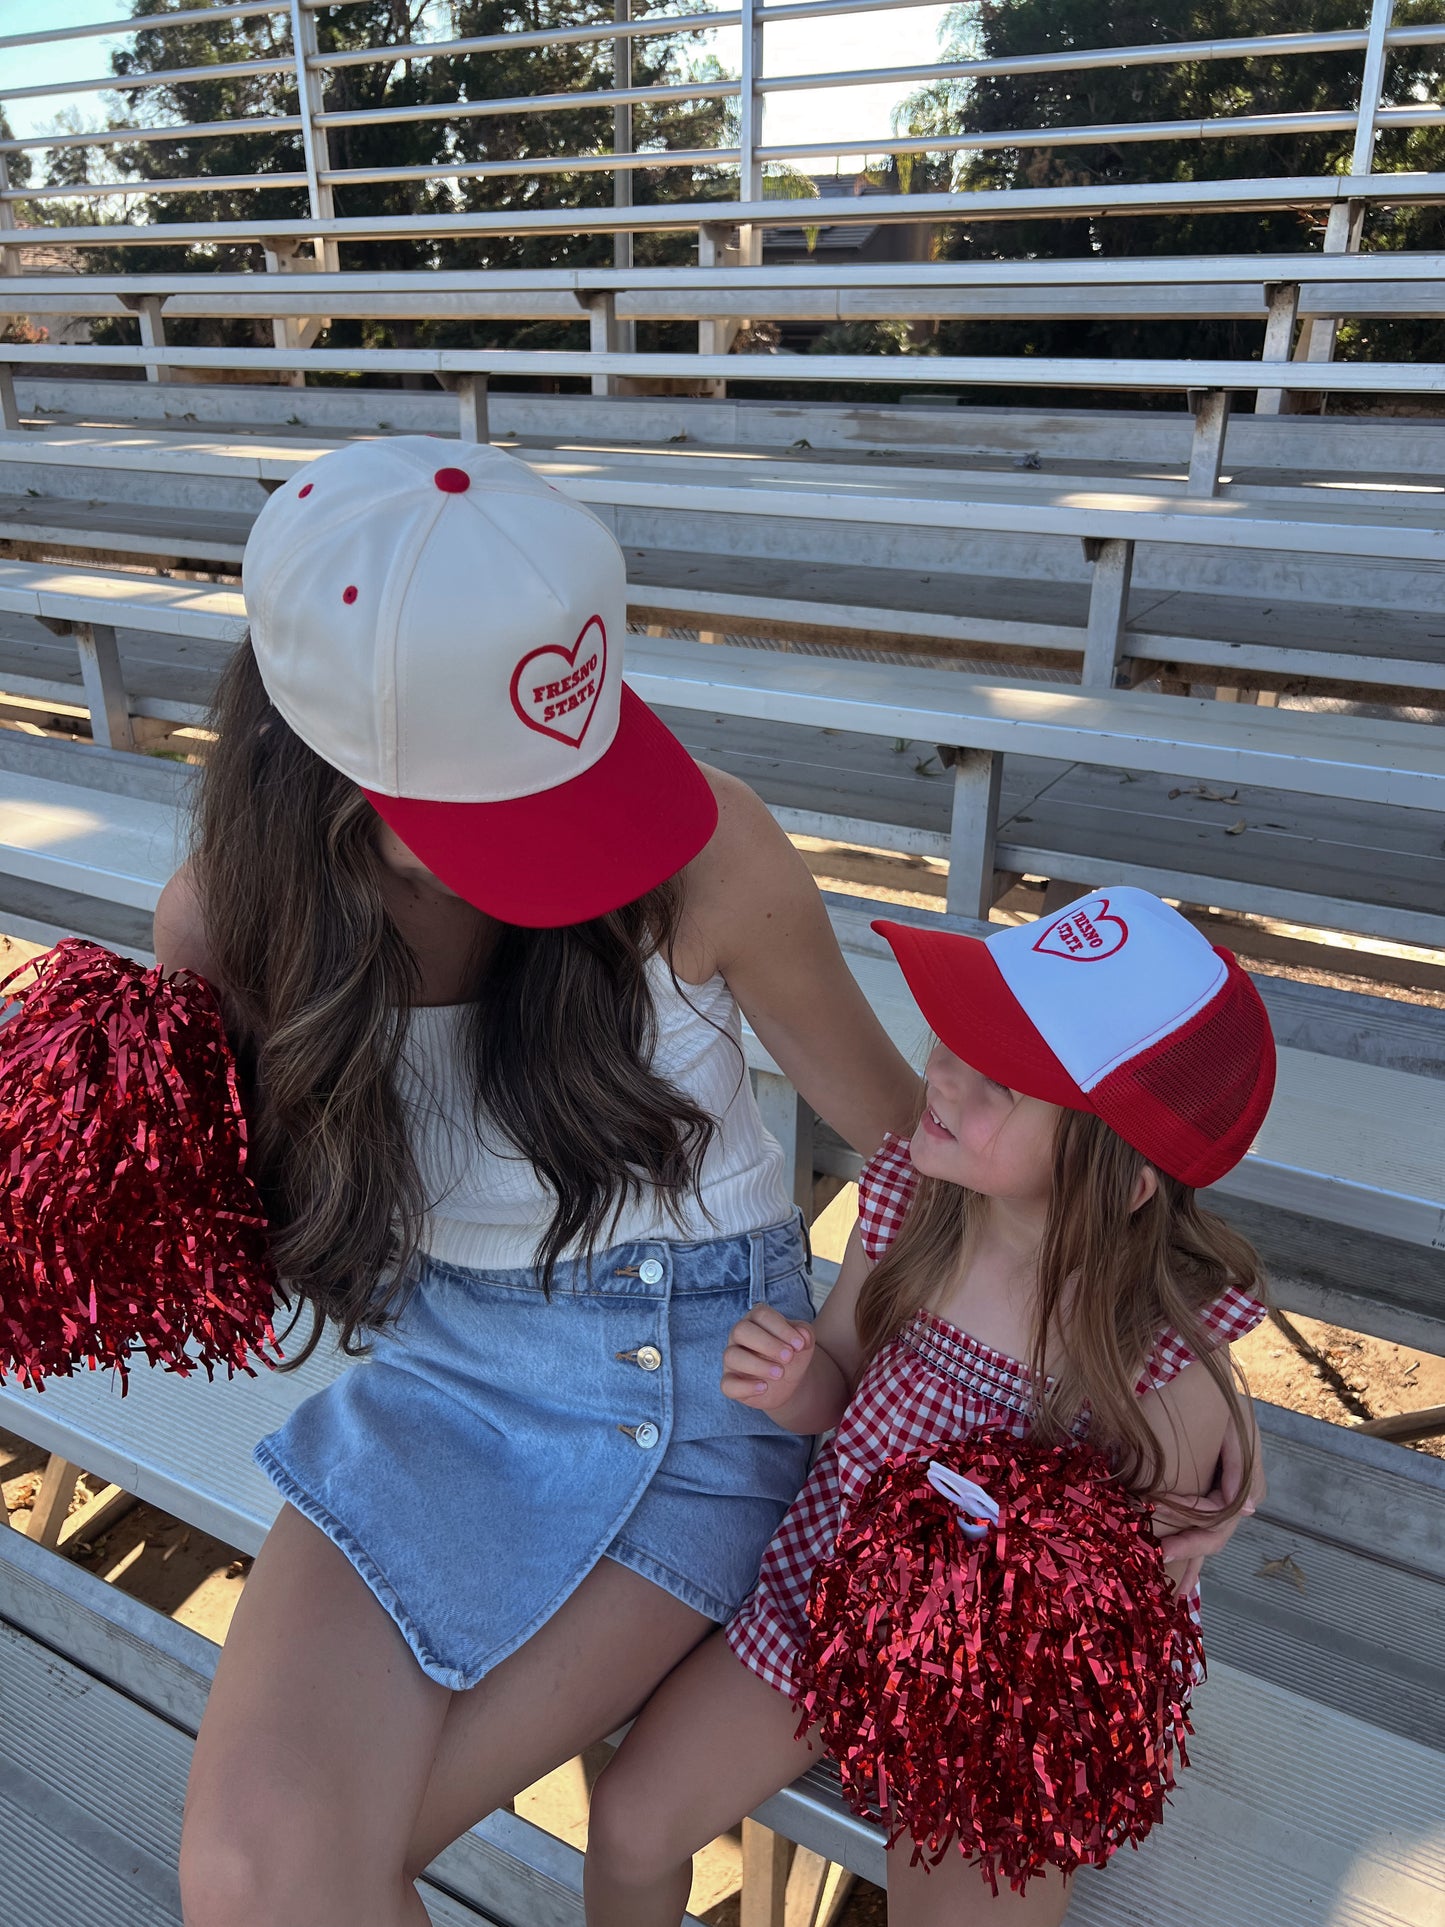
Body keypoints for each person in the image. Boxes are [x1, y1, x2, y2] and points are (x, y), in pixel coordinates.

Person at [171, 436, 920, 1927]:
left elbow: (916, 1144)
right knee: (254, 1876)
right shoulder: (229, 921)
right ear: (322, 765)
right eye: (493, 814)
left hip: (707, 1395)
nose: (570, 848)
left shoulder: (710, 849)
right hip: (443, 1374)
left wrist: (858, 1349)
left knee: (304, 1875)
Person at [583, 887, 1275, 1927]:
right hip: (820, 1602)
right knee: (630, 1828)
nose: (939, 1075)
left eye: (997, 1078)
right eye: (953, 1038)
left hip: (998, 1704)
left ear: (1120, 1175)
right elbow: (842, 1375)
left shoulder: (1151, 1355)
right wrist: (792, 1384)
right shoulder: (915, 1202)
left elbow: (1128, 1602)